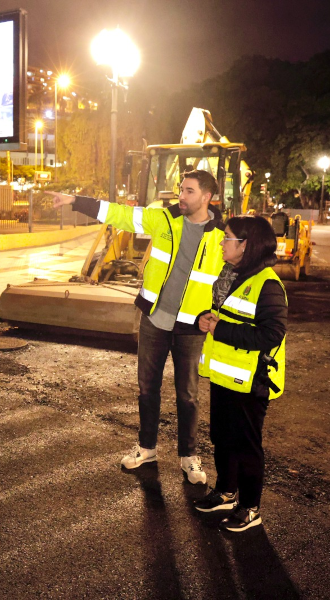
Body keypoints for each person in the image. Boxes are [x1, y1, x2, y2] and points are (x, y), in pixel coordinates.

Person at [52, 170, 226, 484]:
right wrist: (74, 201)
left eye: (188, 191)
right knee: (147, 389)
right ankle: (147, 448)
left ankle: (189, 457)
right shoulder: (163, 219)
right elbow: (119, 214)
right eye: (181, 189)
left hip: (192, 325)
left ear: (206, 197)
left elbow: (229, 278)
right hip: (154, 319)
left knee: (188, 395)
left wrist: (217, 316)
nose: (181, 196)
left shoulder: (221, 235)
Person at [193, 215, 287, 532]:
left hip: (252, 380)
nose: (222, 243)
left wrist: (220, 330)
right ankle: (226, 492)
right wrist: (203, 319)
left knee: (247, 446)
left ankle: (250, 508)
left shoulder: (268, 285)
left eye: (228, 238)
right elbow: (222, 316)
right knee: (222, 437)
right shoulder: (229, 276)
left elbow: (271, 334)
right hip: (224, 375)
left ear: (245, 245)